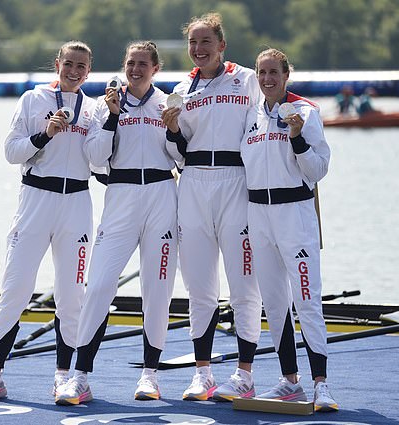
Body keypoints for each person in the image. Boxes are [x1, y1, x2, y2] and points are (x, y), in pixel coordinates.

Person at [0, 41, 98, 402]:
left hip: (77, 204)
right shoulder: (32, 100)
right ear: (57, 64)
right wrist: (44, 135)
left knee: (72, 297)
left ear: (89, 70)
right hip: (36, 200)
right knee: (16, 289)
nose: (74, 71)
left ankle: (64, 378)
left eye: (81, 66)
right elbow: (11, 152)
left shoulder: (95, 109)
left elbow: (101, 162)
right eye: (68, 63)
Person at [55, 41, 181, 405]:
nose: (136, 69)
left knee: (157, 291)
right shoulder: (103, 104)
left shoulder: (167, 103)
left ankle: (149, 376)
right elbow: (94, 156)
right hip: (121, 196)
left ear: (155, 68)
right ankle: (80, 377)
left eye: (143, 64)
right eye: (130, 63)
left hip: (161, 195)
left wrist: (174, 131)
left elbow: (179, 156)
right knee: (98, 287)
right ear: (123, 66)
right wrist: (112, 116)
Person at [162, 12, 263, 402]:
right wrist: (171, 130)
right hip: (194, 183)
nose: (199, 49)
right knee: (200, 287)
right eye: (193, 43)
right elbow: (177, 150)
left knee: (244, 284)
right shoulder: (180, 89)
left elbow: (268, 121)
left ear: (222, 45)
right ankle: (202, 374)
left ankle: (245, 374)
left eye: (206, 42)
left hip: (237, 182)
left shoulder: (248, 79)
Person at [240, 48, 338, 412]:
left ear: (286, 74)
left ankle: (321, 385)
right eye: (261, 72)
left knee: (307, 300)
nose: (267, 79)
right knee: (274, 302)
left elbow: (318, 170)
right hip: (258, 215)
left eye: (274, 73)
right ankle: (289, 381)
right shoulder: (250, 114)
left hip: (294, 214)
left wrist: (296, 137)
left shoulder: (306, 112)